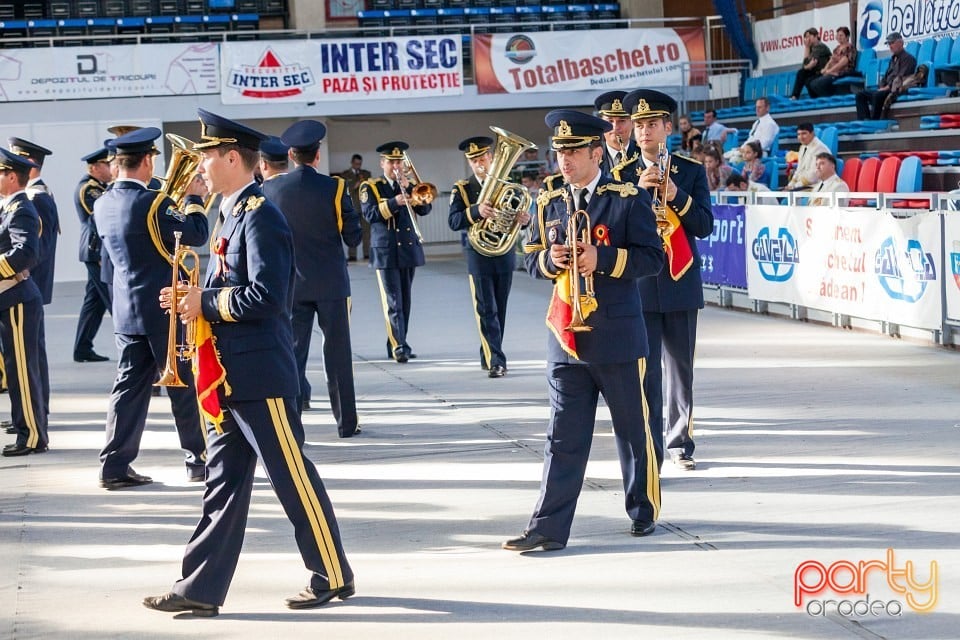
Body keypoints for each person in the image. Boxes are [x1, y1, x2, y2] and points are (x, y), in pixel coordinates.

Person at [143, 109, 354, 617]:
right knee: (223, 484)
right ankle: (199, 585)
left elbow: (268, 296)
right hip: (229, 373)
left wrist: (205, 304)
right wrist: (195, 295)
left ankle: (332, 572)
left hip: (259, 374)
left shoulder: (260, 214)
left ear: (232, 158)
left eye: (207, 158)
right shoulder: (231, 211)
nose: (200, 169)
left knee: (291, 476)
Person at [502, 109, 663, 552]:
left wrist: (604, 260)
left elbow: (653, 260)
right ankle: (547, 527)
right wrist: (549, 262)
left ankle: (643, 507)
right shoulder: (549, 198)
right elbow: (531, 256)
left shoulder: (627, 197)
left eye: (573, 151)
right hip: (565, 337)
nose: (564, 160)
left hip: (617, 334)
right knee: (562, 436)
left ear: (597, 151)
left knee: (633, 430)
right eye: (559, 152)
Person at [93, 127, 208, 489]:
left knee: (127, 388)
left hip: (127, 309)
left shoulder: (102, 202)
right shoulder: (153, 203)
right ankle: (198, 460)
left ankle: (114, 465)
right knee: (183, 385)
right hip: (163, 308)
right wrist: (192, 199)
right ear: (147, 160)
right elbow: (195, 234)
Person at [625, 88, 714, 471]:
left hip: (680, 279)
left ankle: (680, 443)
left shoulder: (691, 171)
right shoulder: (621, 175)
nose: (644, 131)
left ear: (667, 127)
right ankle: (649, 443)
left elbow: (705, 226)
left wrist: (676, 194)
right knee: (644, 370)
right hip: (640, 284)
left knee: (680, 369)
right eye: (639, 125)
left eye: (652, 124)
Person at [261, 120, 362, 437]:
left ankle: (290, 425)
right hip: (332, 284)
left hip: (291, 285)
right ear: (317, 156)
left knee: (291, 355)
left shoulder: (270, 189)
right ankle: (346, 423)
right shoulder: (335, 188)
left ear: (291, 155)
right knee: (338, 355)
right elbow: (353, 239)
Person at [448, 135, 529, 378]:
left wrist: (522, 221)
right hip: (478, 255)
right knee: (486, 309)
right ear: (469, 163)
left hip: (503, 253)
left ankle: (490, 353)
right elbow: (454, 221)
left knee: (500, 307)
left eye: (483, 157)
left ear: (492, 157)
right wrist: (476, 211)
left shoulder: (507, 185)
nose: (479, 162)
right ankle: (497, 359)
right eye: (474, 160)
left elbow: (516, 216)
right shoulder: (462, 188)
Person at [359, 141, 431, 363]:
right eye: (392, 162)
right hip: (386, 251)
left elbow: (425, 208)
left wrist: (410, 188)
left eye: (399, 162)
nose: (396, 166)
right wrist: (394, 201)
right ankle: (399, 345)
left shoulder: (408, 184)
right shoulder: (370, 186)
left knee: (405, 300)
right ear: (382, 164)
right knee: (393, 301)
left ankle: (399, 343)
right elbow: (370, 215)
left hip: (408, 249)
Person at [0, 148, 48, 457]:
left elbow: (28, 252)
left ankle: (30, 435)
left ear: (12, 177)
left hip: (17, 299)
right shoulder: (9, 207)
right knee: (19, 371)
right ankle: (29, 429)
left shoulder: (21, 209)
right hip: (12, 299)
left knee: (22, 373)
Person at [9, 138, 58, 421]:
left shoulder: (35, 197)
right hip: (26, 283)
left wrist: (22, 272)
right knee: (30, 353)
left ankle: (37, 409)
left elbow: (38, 247)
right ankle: (33, 408)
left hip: (27, 283)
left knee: (32, 355)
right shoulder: (33, 195)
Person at [73, 147, 114, 363]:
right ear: (95, 167)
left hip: (95, 251)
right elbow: (100, 219)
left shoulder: (101, 187)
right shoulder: (89, 189)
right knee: (114, 300)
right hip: (95, 251)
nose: (110, 168)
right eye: (107, 164)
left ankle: (82, 348)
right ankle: (130, 345)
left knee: (94, 304)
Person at [856, 32, 917, 120]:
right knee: (860, 95)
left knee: (878, 95)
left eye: (892, 43)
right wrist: (882, 86)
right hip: (886, 89)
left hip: (897, 90)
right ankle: (865, 120)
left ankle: (875, 120)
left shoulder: (908, 59)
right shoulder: (893, 59)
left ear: (900, 43)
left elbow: (900, 78)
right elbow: (885, 77)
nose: (890, 46)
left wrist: (886, 87)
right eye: (889, 44)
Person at [594, 90, 640, 184]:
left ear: (632, 123)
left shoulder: (643, 154)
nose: (615, 127)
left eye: (622, 121)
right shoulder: (591, 156)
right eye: (610, 121)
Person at [807, 26, 856, 98]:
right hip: (831, 72)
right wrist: (825, 69)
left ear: (847, 37)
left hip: (841, 72)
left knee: (818, 83)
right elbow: (831, 60)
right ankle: (824, 99)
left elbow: (843, 62)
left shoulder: (850, 48)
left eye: (841, 35)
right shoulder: (837, 49)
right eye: (838, 35)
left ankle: (831, 97)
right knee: (811, 83)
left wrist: (830, 71)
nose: (839, 37)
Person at [340, 154, 372, 263]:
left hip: (364, 207)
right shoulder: (345, 175)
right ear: (352, 163)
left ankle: (367, 253)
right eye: (356, 164)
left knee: (366, 232)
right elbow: (344, 189)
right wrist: (355, 184)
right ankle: (352, 255)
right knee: (352, 231)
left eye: (360, 164)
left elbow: (370, 187)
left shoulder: (366, 174)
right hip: (352, 207)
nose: (358, 166)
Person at [785, 123, 830, 191]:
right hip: (803, 185)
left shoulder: (819, 148)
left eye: (804, 133)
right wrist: (791, 184)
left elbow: (814, 174)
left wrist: (795, 186)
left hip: (816, 185)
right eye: (799, 134)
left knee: (787, 198)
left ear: (812, 133)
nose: (801, 137)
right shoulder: (803, 147)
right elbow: (799, 169)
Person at [791, 28, 831, 100]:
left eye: (809, 36)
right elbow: (805, 64)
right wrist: (807, 47)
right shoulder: (811, 48)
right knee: (801, 73)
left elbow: (811, 64)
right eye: (806, 37)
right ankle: (795, 96)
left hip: (823, 71)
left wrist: (807, 66)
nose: (807, 39)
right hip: (815, 72)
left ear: (816, 36)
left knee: (806, 78)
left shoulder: (820, 46)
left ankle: (814, 98)